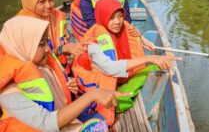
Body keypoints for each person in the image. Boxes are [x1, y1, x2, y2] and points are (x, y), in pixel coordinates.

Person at [0, 16, 128, 131]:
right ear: (23, 46)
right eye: (41, 44)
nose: (47, 48)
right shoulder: (9, 95)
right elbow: (46, 123)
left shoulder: (39, 66)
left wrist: (67, 88)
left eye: (47, 42)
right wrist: (92, 95)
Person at [72, 0, 181, 125]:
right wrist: (150, 57)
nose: (117, 21)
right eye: (112, 18)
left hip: (120, 82)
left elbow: (135, 42)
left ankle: (125, 95)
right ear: (102, 17)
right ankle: (118, 104)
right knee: (121, 100)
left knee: (154, 69)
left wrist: (142, 40)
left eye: (120, 16)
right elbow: (110, 68)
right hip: (101, 94)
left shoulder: (124, 30)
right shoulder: (94, 43)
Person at [17, 0, 87, 71]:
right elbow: (35, 61)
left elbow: (62, 42)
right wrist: (62, 49)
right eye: (42, 2)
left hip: (61, 70)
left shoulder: (55, 16)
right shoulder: (23, 26)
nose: (48, 5)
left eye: (51, 0)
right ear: (30, 2)